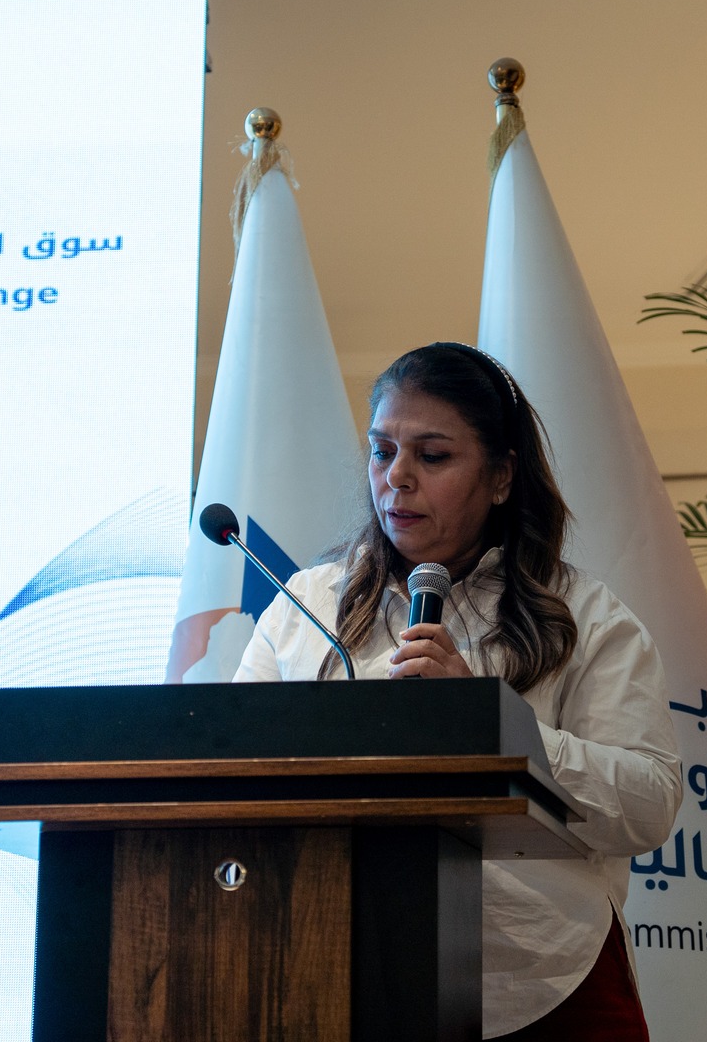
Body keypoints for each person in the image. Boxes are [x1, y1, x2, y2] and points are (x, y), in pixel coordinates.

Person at [236, 341, 680, 1041]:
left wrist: (492, 724)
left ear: (501, 476)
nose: (397, 477)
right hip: (332, 968)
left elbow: (649, 805)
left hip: (535, 985)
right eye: (382, 452)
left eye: (433, 455)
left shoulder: (587, 617)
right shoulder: (305, 606)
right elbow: (232, 768)